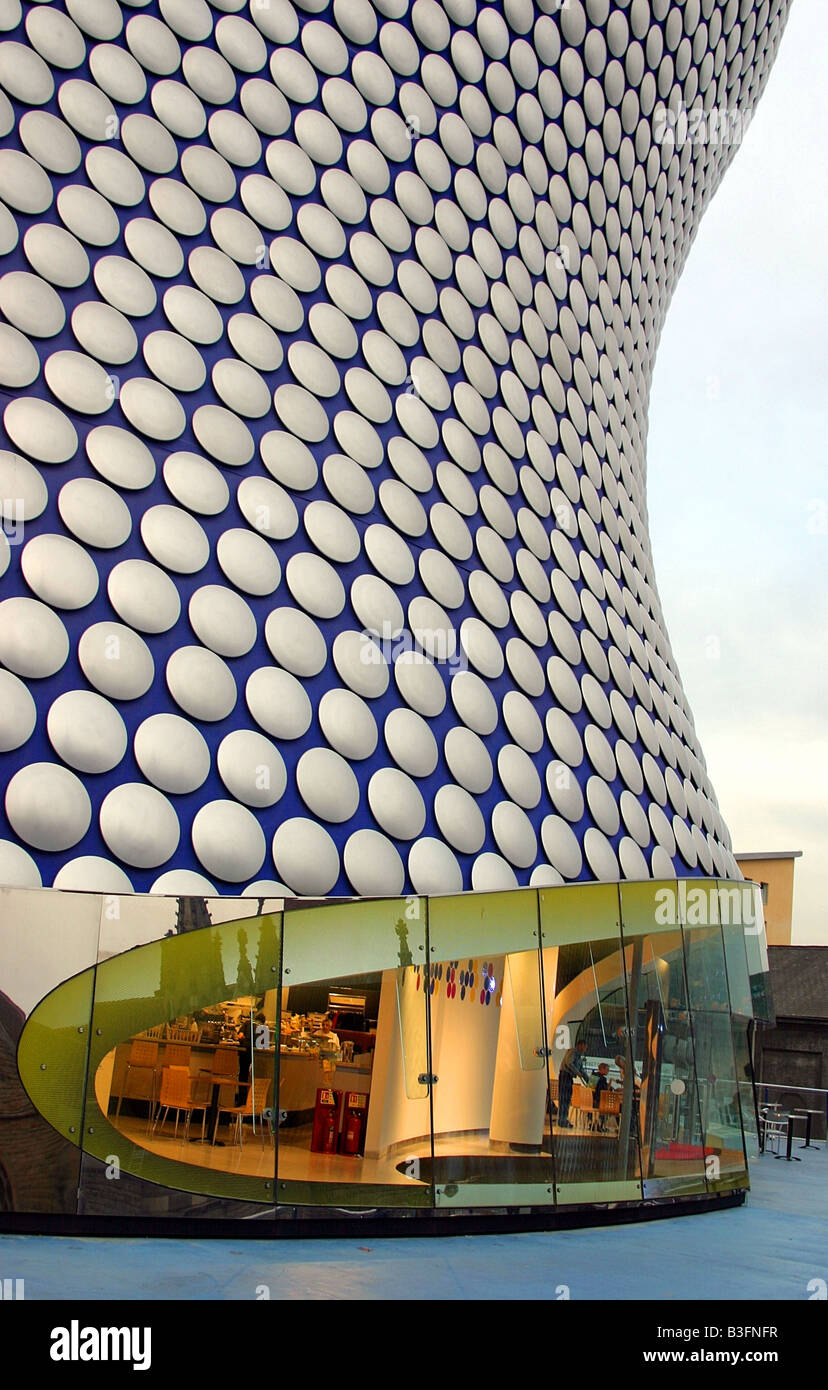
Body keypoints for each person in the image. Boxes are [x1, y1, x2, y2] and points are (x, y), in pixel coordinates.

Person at [557, 1039, 590, 1129]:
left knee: (567, 1099)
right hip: (565, 1076)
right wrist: (577, 1072)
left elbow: (582, 1070)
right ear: (580, 1045)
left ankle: (564, 1119)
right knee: (564, 1098)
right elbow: (569, 1063)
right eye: (585, 1047)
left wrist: (589, 1081)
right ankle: (561, 1120)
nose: (585, 1049)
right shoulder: (573, 1052)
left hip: (569, 1078)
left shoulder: (579, 1056)